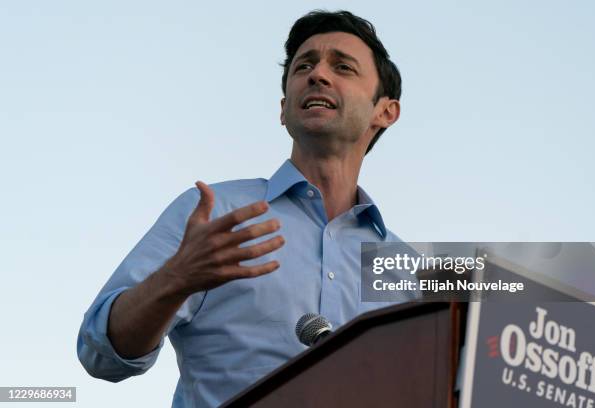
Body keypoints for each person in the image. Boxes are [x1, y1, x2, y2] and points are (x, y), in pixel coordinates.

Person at [77, 10, 416, 407]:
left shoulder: (408, 271)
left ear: (385, 112)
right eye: (303, 66)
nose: (317, 75)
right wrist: (176, 279)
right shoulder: (213, 213)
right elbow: (101, 355)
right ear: (284, 107)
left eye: (342, 67)